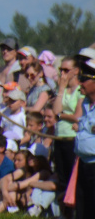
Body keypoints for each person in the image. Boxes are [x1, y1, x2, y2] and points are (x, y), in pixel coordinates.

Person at [52, 55, 81, 211]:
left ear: (75, 71)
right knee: (61, 175)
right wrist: (61, 89)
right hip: (59, 136)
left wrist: (61, 115)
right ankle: (63, 211)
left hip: (72, 138)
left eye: (66, 70)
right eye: (60, 70)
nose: (62, 73)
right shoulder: (61, 89)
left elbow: (77, 116)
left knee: (72, 177)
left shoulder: (79, 91)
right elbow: (55, 110)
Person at [72, 54, 95, 218]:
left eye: (84, 79)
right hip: (83, 163)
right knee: (83, 209)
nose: (80, 83)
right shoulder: (85, 104)